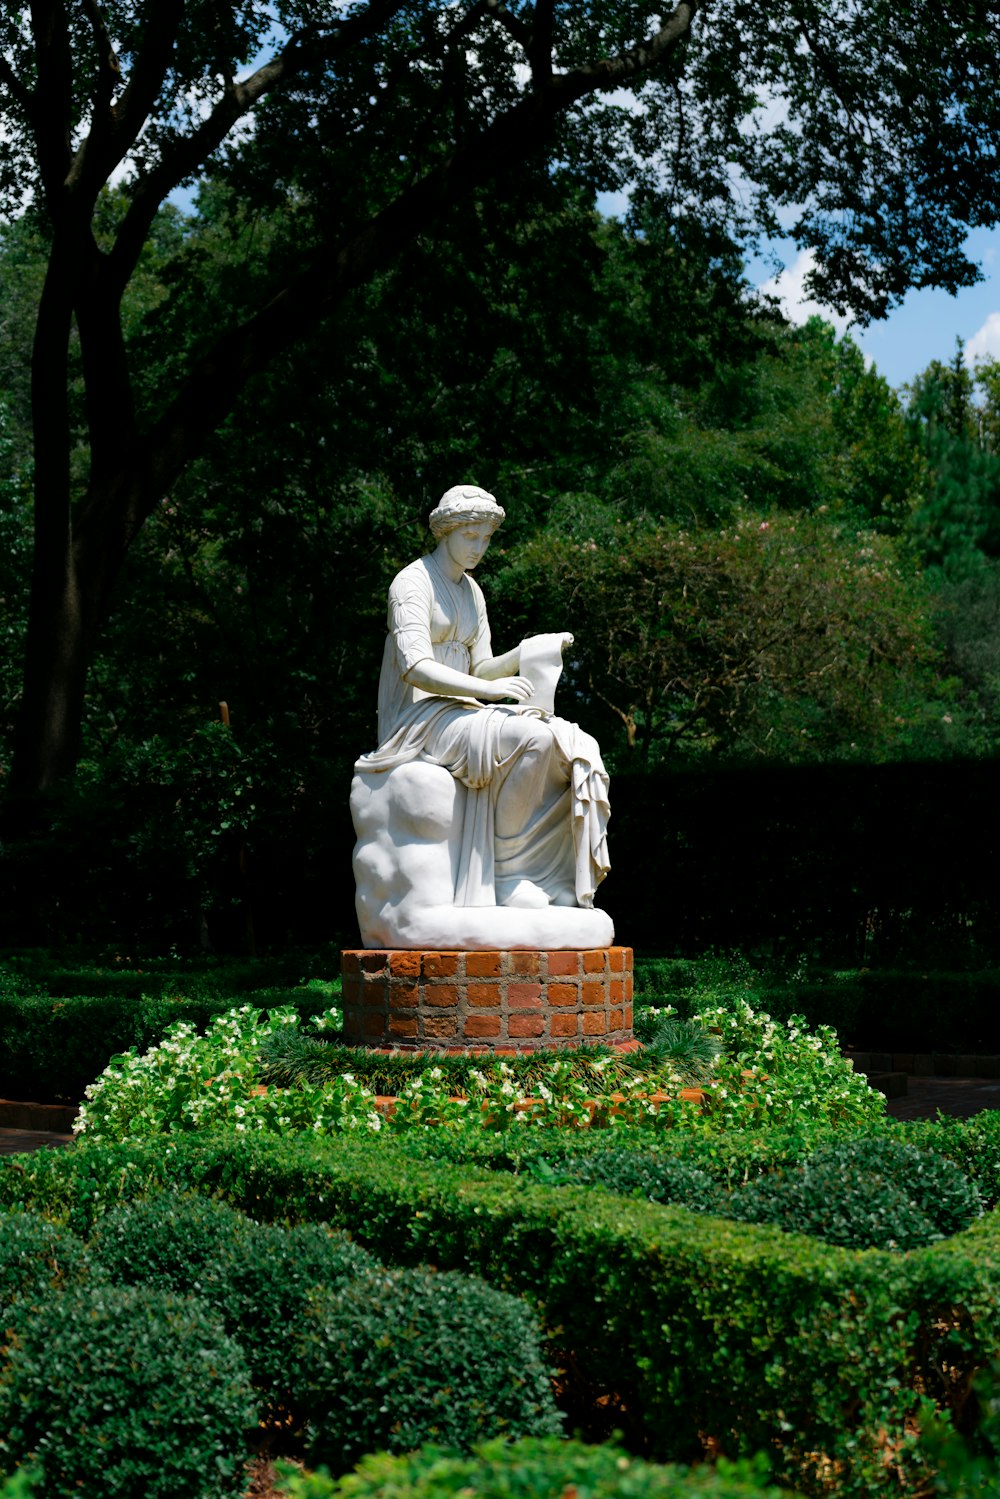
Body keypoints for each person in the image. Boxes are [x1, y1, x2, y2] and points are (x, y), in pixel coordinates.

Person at [355, 484, 610, 912]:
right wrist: (489, 693)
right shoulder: (411, 583)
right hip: (414, 718)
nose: (478, 547)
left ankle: (538, 871)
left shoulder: (472, 591)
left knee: (565, 741)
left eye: (486, 538)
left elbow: (481, 666)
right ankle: (508, 873)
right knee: (532, 739)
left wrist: (529, 651)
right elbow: (415, 667)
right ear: (445, 532)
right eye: (470, 536)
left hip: (460, 709)